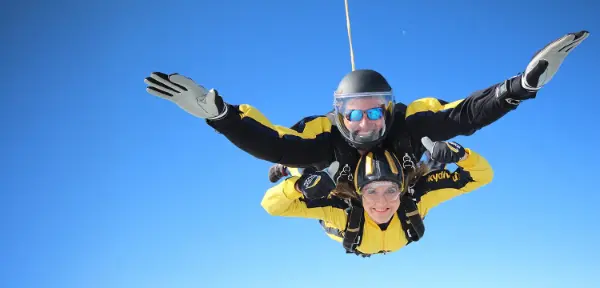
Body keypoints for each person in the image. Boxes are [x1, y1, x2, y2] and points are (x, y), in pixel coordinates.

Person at [143, 31, 589, 184]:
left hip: (397, 187)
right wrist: (221, 117)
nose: (364, 122)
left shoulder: (408, 124)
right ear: (338, 114)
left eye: (375, 110)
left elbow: (464, 114)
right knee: (301, 162)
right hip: (340, 194)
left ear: (390, 109)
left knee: (430, 155)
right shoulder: (324, 134)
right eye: (353, 113)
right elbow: (271, 142)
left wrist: (520, 86)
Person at [261, 137, 493, 257]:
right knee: (316, 174)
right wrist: (299, 186)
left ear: (401, 189)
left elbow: (481, 176)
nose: (382, 202)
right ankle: (287, 167)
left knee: (427, 166)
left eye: (391, 190)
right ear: (360, 193)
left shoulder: (417, 196)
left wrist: (462, 155)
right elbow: (271, 206)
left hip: (405, 177)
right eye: (371, 191)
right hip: (341, 188)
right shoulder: (338, 209)